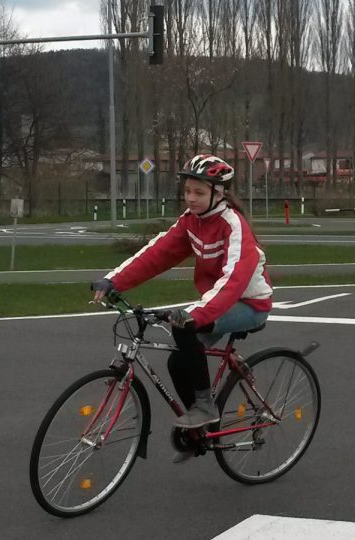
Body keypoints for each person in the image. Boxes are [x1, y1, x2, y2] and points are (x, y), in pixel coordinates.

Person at [91, 154, 273, 462]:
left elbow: (233, 282)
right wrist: (113, 282)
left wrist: (195, 314)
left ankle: (205, 407)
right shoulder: (191, 221)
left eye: (199, 193)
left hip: (248, 304)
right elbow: (157, 254)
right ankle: (200, 424)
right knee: (178, 362)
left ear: (219, 193)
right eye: (187, 191)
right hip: (216, 301)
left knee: (187, 326)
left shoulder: (234, 226)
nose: (191, 198)